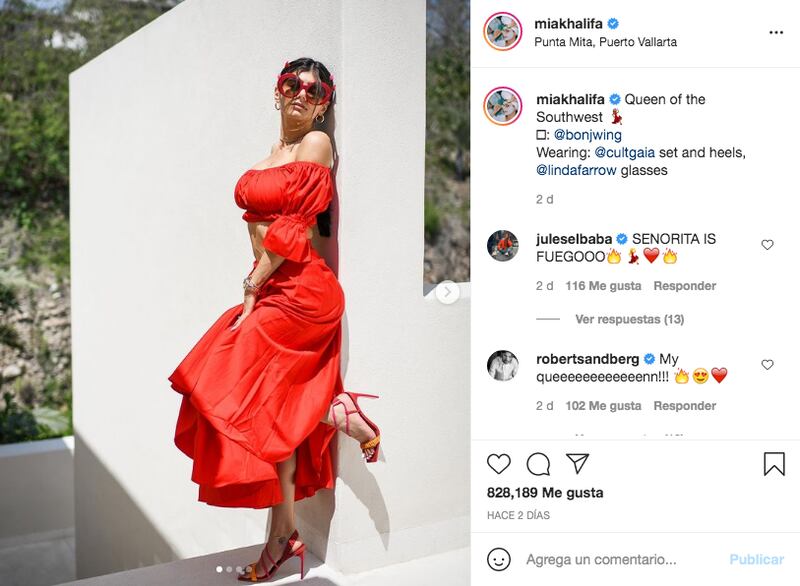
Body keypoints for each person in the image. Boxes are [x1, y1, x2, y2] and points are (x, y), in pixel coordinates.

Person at [167, 57, 382, 583]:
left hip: (303, 292)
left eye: (315, 90)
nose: (302, 94)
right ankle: (283, 536)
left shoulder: (317, 144)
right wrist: (258, 285)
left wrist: (251, 285)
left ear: (324, 104)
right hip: (274, 288)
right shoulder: (274, 154)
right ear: (278, 91)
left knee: (219, 376)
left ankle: (331, 412)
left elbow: (294, 228)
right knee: (267, 416)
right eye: (293, 84)